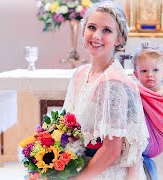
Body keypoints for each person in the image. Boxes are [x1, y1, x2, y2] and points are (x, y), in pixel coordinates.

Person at [62, 1, 149, 180]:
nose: (96, 36)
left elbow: (112, 150)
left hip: (104, 173)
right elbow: (64, 126)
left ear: (118, 39)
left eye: (107, 30)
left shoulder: (112, 83)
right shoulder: (80, 74)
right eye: (91, 27)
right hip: (78, 164)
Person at [132, 42, 163, 180]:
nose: (150, 75)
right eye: (144, 71)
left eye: (155, 70)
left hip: (154, 143)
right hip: (138, 141)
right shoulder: (135, 91)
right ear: (136, 74)